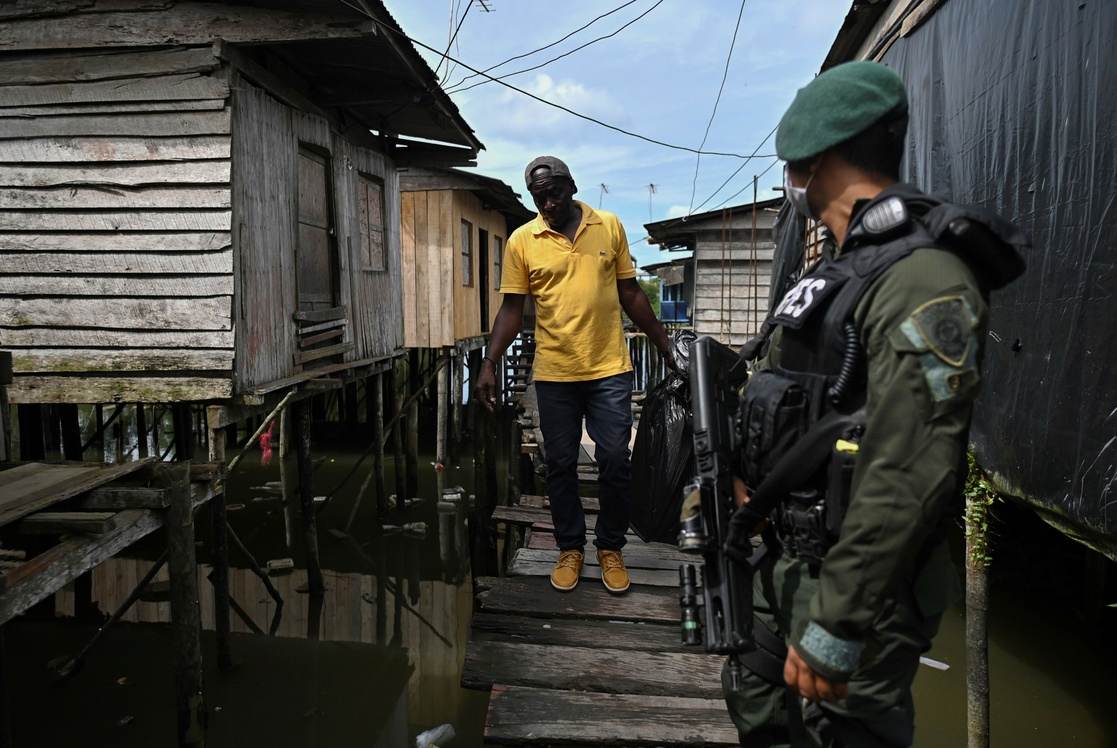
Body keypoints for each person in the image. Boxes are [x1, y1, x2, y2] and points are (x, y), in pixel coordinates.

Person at [723, 61, 1025, 746]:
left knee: (851, 733)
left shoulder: (922, 275)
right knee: (757, 709)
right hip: (781, 556)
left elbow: (912, 462)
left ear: (812, 155)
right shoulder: (831, 270)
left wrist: (839, 619)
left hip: (861, 578)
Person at [475, 156, 675, 595]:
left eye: (556, 193)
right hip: (555, 373)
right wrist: (489, 361)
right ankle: (570, 547)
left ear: (572, 186)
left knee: (615, 462)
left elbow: (629, 292)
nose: (549, 202)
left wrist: (664, 344)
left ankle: (610, 547)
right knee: (561, 465)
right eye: (540, 197)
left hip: (608, 369)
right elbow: (512, 309)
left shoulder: (608, 226)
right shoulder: (522, 240)